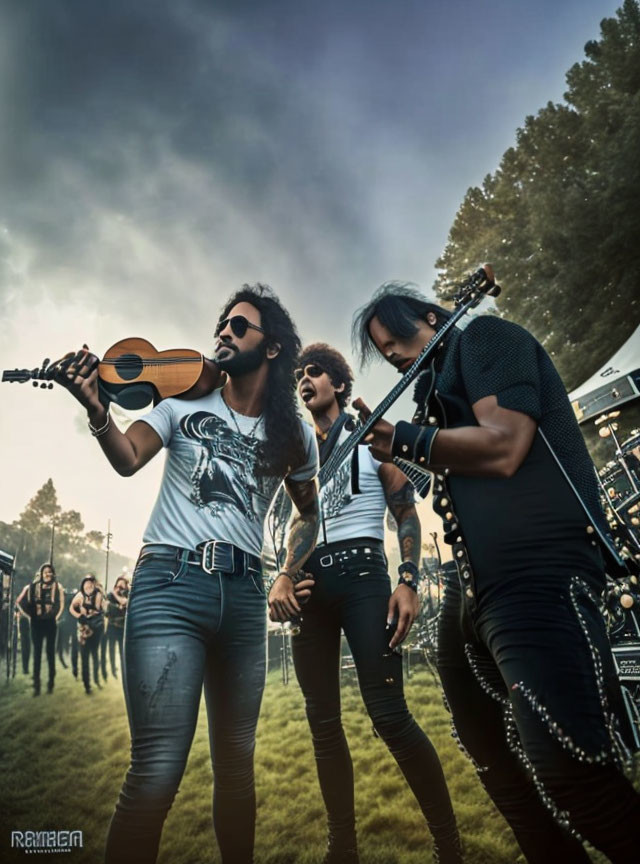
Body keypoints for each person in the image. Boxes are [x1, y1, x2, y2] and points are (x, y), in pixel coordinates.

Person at [351, 282, 640, 864]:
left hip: (536, 572)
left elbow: (506, 446)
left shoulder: (485, 338)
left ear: (434, 318)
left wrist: (405, 437)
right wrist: (395, 450)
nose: (396, 357)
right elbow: (451, 477)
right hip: (474, 586)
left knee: (575, 777)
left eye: (398, 340)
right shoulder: (439, 399)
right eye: (383, 353)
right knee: (500, 772)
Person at [55, 284, 320, 864]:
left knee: (237, 765)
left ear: (271, 348)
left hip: (247, 596)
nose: (223, 332)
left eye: (239, 326)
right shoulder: (179, 405)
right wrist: (100, 412)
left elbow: (310, 514)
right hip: (170, 588)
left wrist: (286, 572)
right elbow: (127, 458)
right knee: (156, 770)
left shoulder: (294, 436)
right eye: (221, 324)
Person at [291, 343, 461, 864]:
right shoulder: (297, 451)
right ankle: (342, 847)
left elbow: (406, 509)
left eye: (315, 370)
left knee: (390, 716)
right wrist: (284, 573)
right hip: (311, 588)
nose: (304, 378)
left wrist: (407, 578)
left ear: (339, 384)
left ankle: (448, 844)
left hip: (366, 577)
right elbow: (300, 521)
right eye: (298, 373)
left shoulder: (369, 434)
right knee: (322, 723)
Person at [18, 563, 64, 695]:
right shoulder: (31, 587)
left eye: (50, 572)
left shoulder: (57, 587)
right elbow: (20, 602)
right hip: (36, 624)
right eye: (45, 572)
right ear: (41, 573)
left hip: (50, 623)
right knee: (37, 654)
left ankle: (51, 683)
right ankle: (36, 686)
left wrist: (55, 617)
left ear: (53, 574)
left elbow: (60, 604)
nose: (48, 574)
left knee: (50, 653)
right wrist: (30, 615)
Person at [69, 573, 105, 694]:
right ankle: (87, 685)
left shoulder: (99, 595)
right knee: (84, 658)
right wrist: (79, 616)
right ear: (83, 585)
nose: (88, 586)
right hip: (83, 629)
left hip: (95, 628)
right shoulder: (79, 596)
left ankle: (96, 679)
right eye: (86, 584)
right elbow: (71, 608)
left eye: (91, 584)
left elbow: (103, 609)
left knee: (95, 655)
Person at [105, 574, 129, 678]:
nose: (119, 589)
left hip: (121, 627)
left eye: (122, 587)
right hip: (112, 626)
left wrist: (116, 597)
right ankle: (113, 669)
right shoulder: (110, 596)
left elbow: (125, 604)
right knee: (111, 648)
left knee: (121, 649)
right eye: (117, 586)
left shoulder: (127, 595)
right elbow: (108, 609)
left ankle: (123, 669)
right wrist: (118, 607)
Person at [14, 586, 32, 675]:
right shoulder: (27, 588)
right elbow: (17, 602)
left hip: (34, 621)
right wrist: (25, 615)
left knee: (30, 646)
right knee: (26, 645)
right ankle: (25, 669)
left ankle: (31, 669)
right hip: (24, 621)